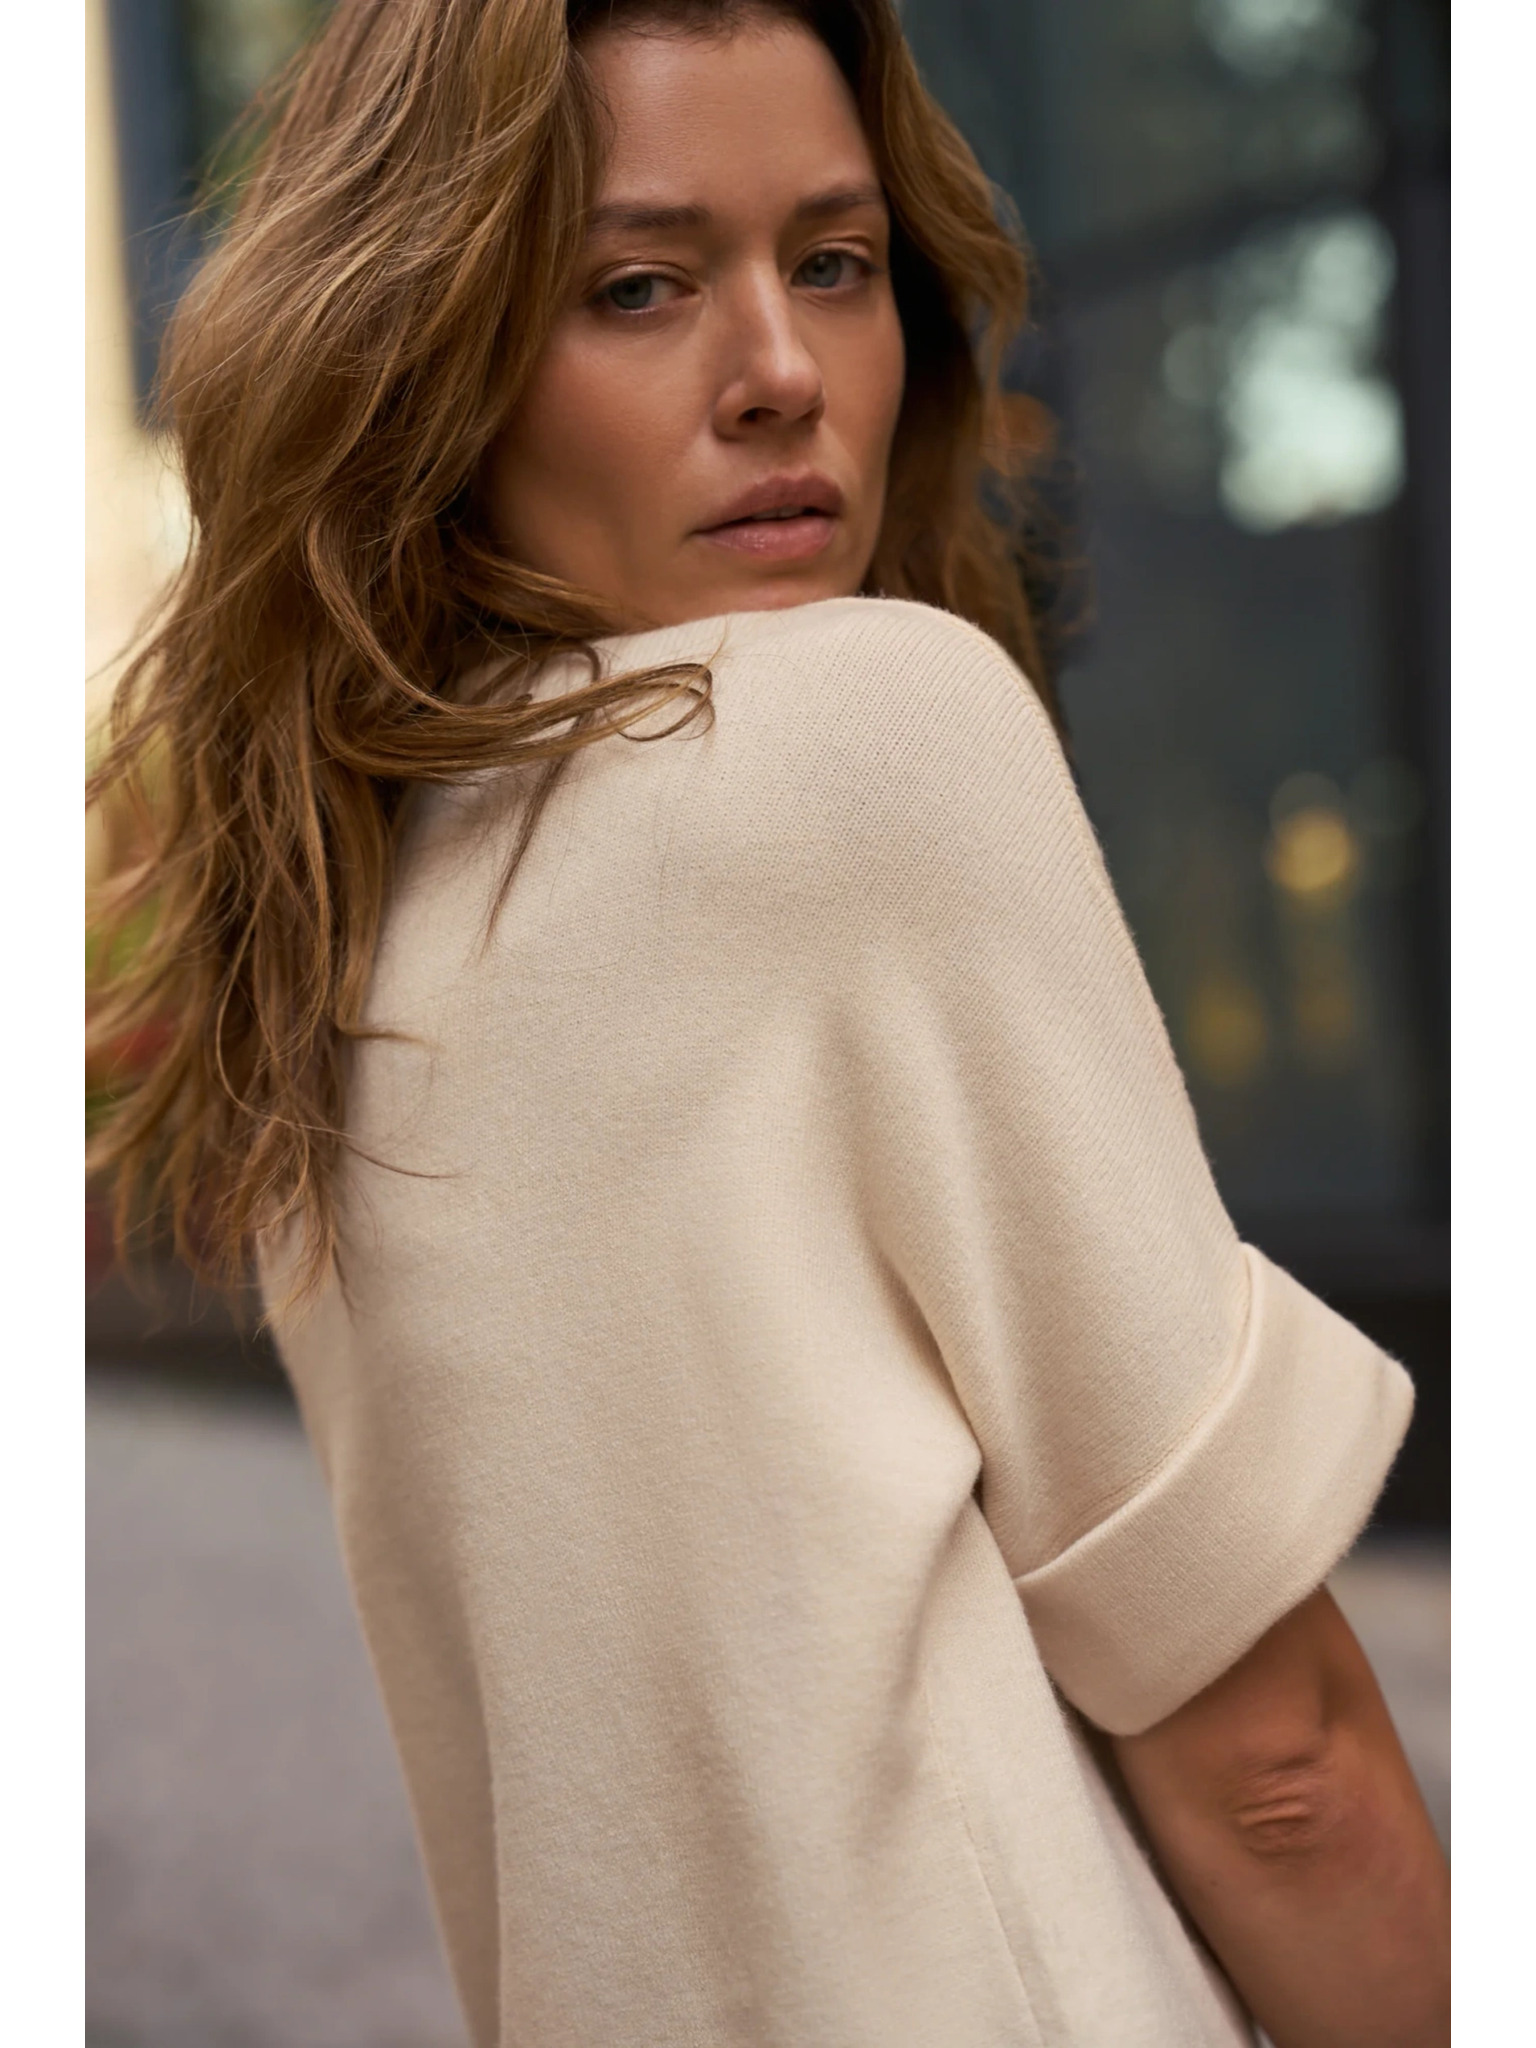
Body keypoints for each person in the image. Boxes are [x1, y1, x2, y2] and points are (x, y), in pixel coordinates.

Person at [87, 2, 1450, 2043]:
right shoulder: (871, 735)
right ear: (432, 354)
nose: (784, 371)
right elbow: (1281, 1762)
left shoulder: (325, 951)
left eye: (834, 260)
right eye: (637, 288)